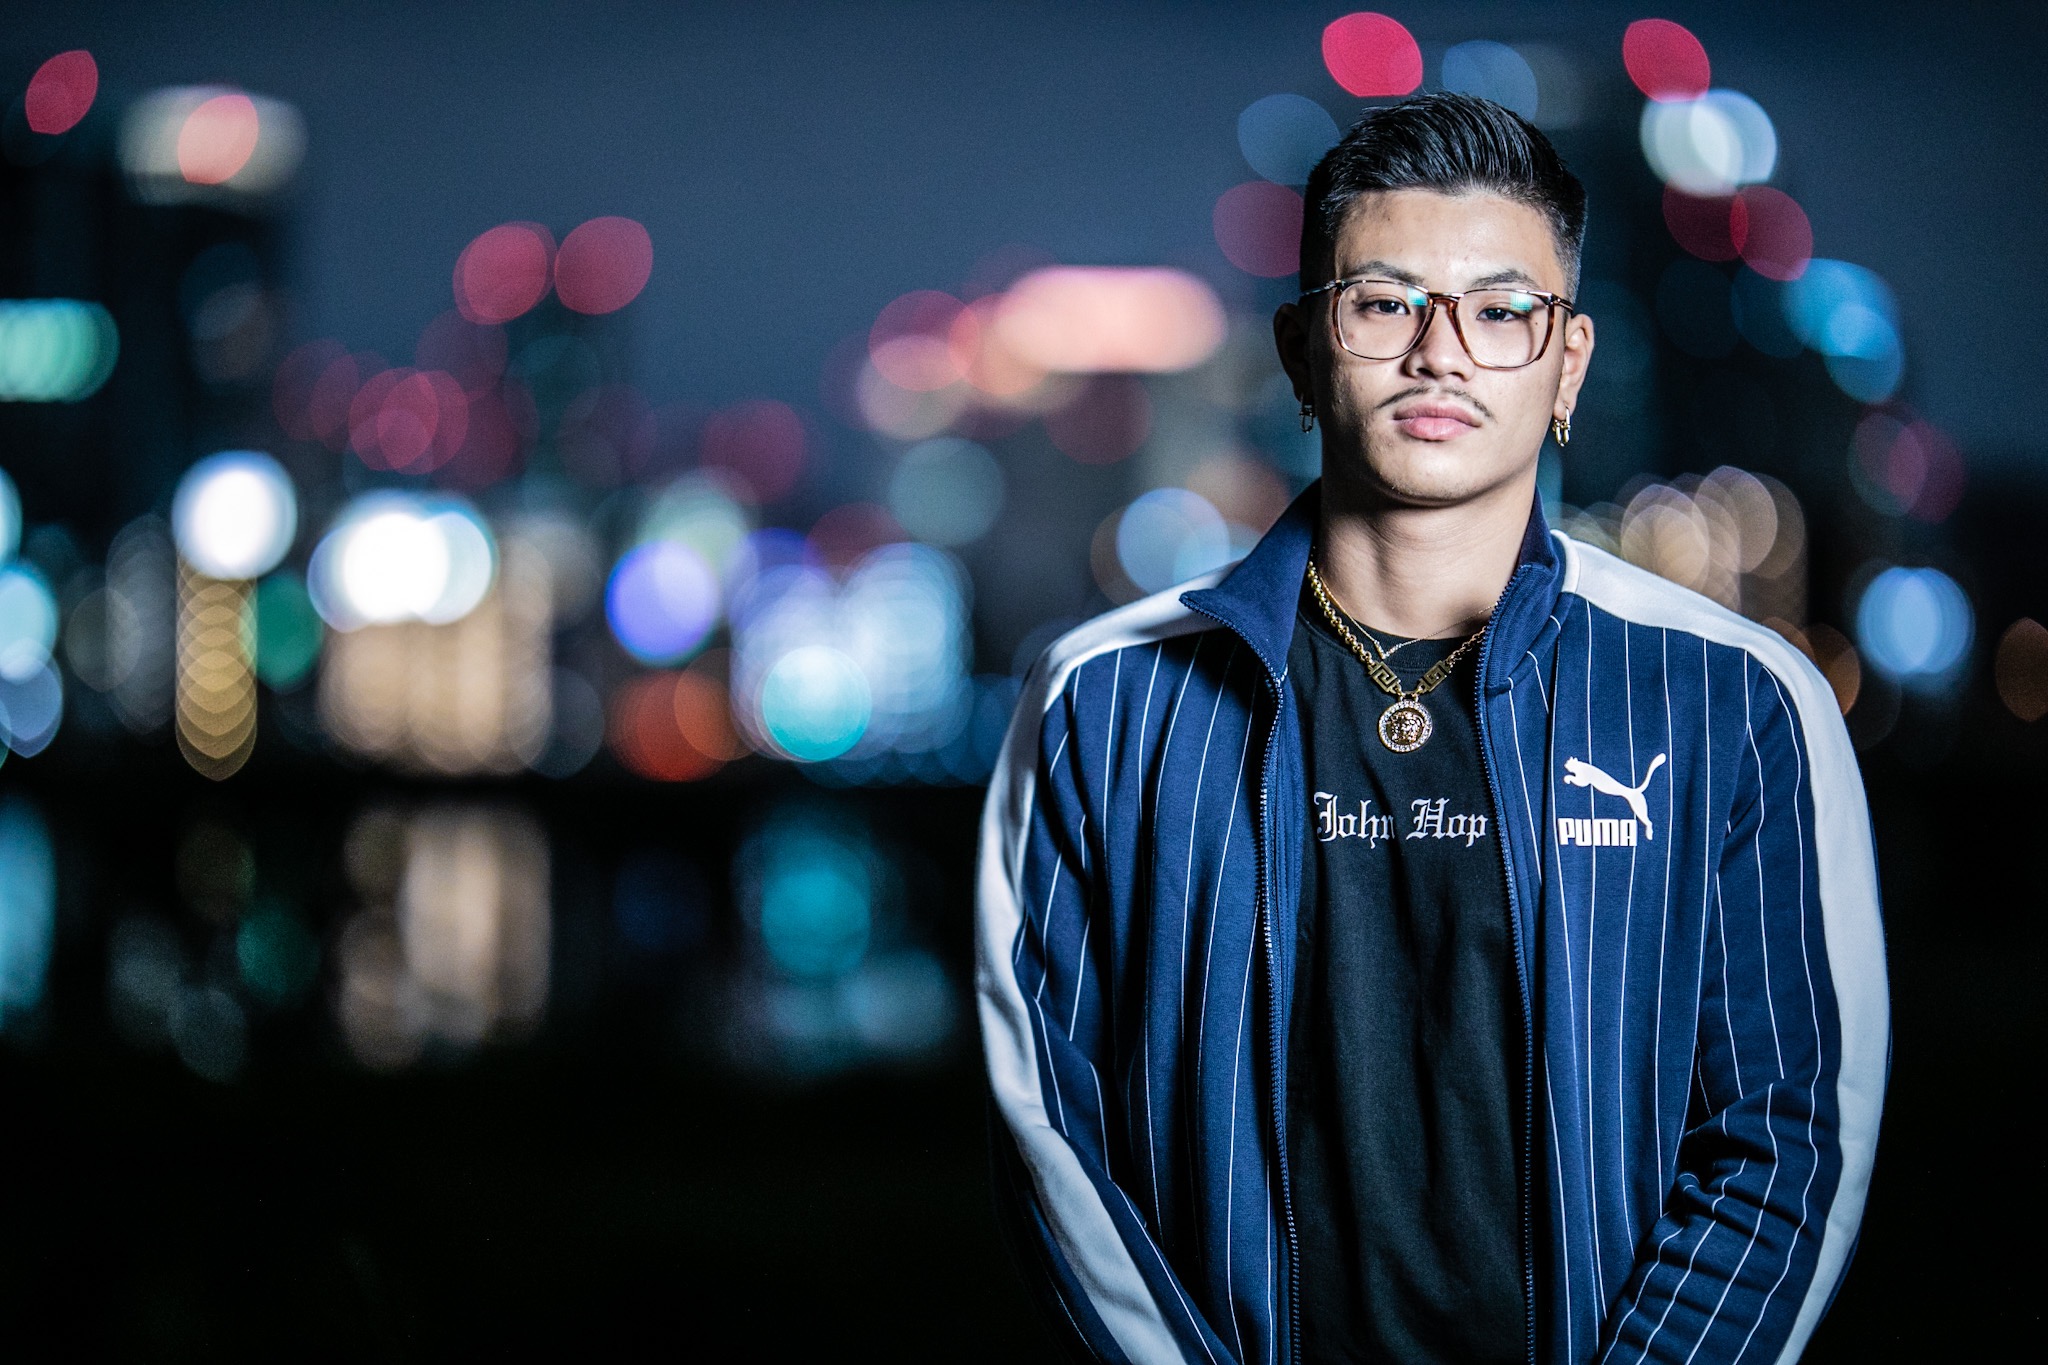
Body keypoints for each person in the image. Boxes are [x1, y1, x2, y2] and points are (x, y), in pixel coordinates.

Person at [976, 93, 1885, 1364]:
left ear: (1568, 362)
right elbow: (1049, 1127)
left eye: (1500, 311)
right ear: (1301, 351)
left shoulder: (1732, 703)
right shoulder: (1105, 702)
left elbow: (1786, 1134)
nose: (1439, 354)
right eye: (1383, 303)